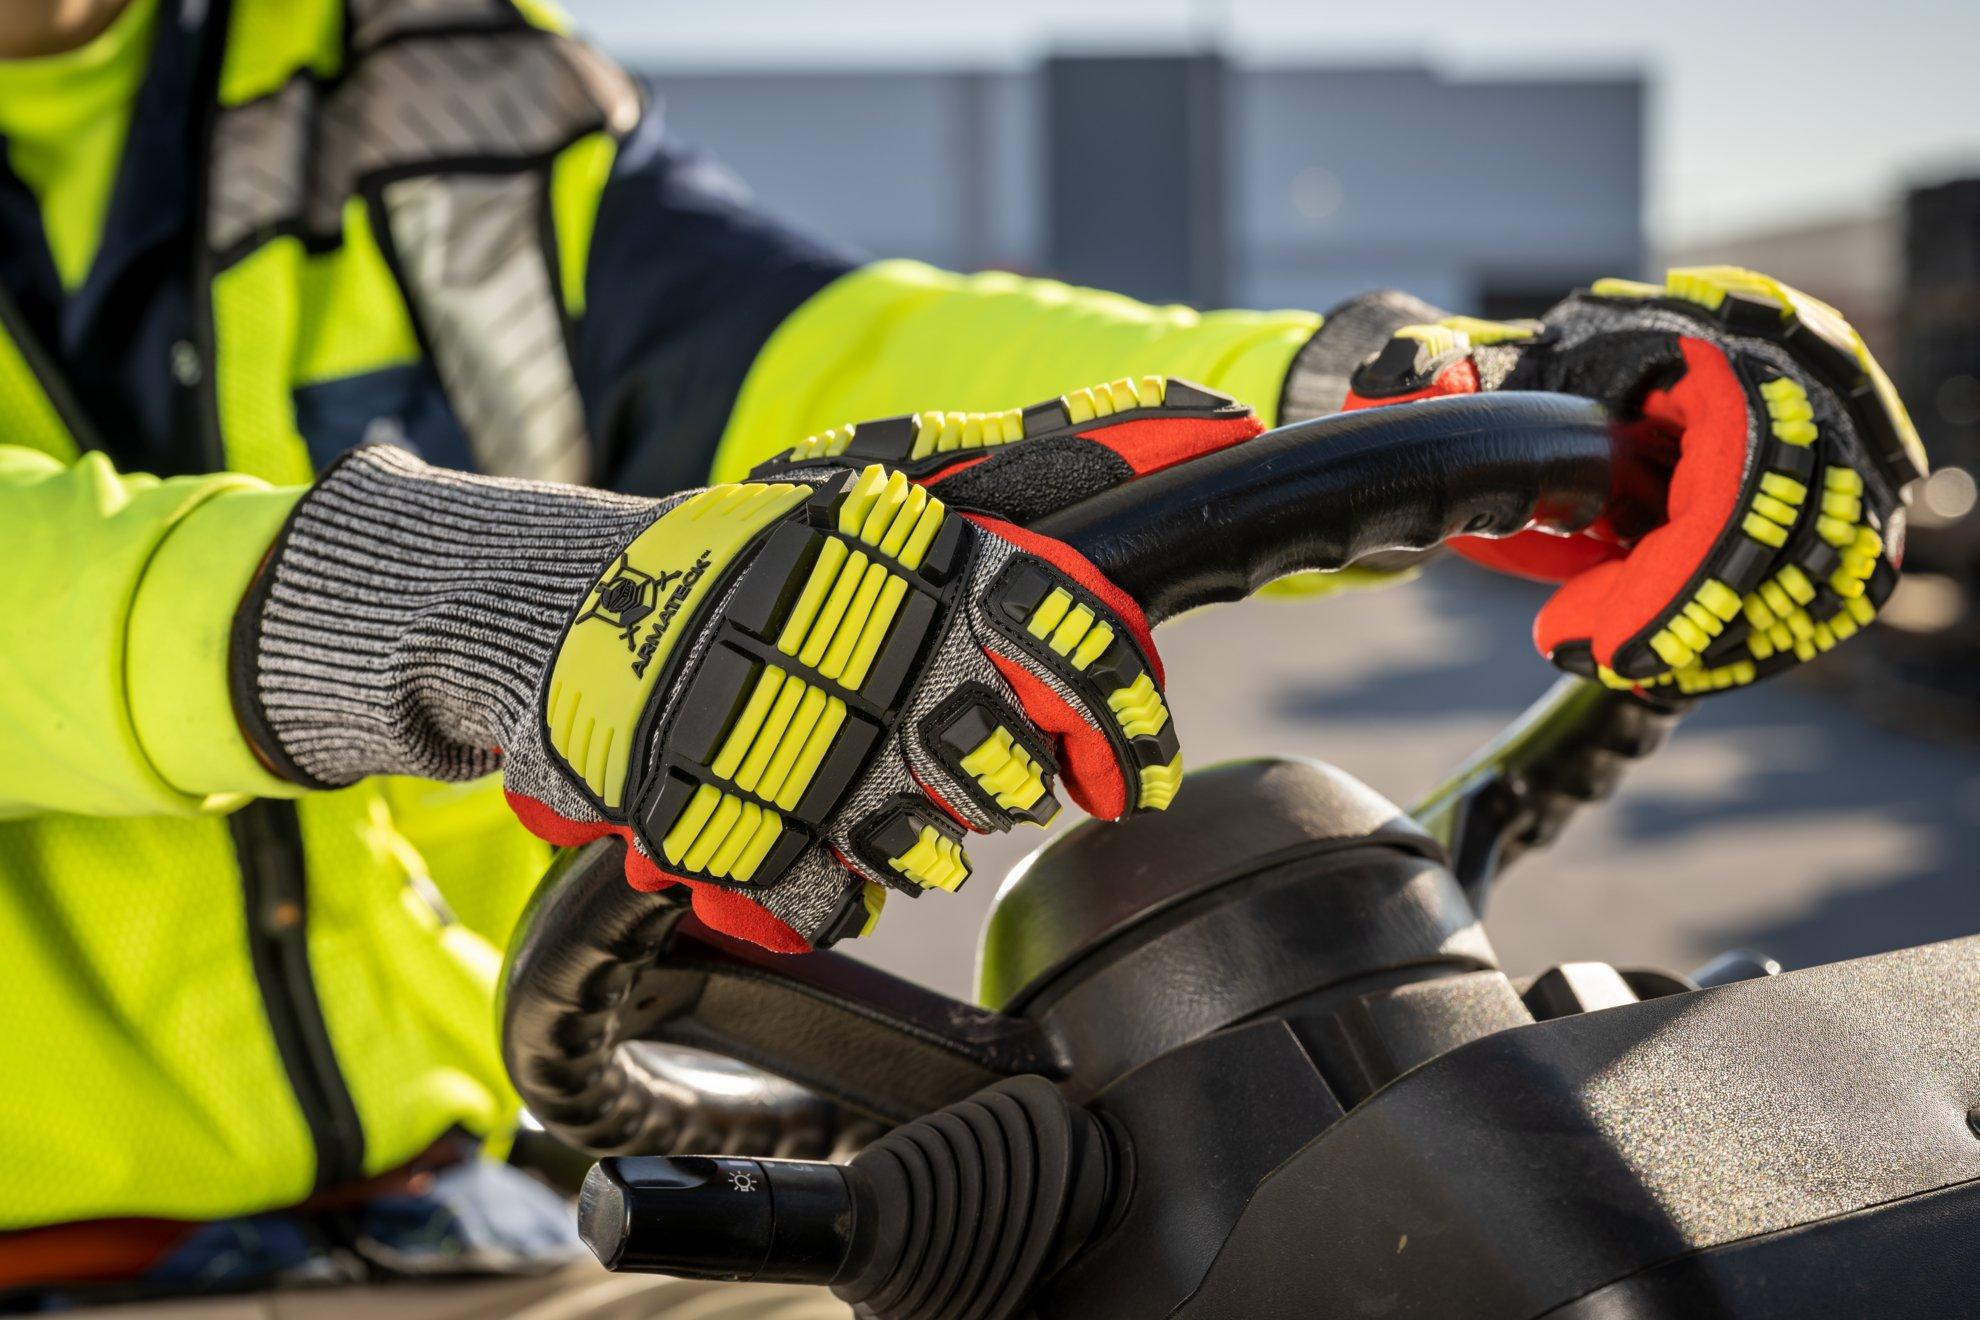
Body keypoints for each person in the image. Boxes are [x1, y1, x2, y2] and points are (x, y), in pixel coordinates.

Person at [0, 0, 1923, 1312]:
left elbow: (829, 361)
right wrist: (451, 604)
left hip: (455, 1215)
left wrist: (1442, 401)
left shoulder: (405, 77)